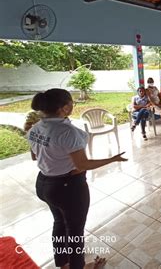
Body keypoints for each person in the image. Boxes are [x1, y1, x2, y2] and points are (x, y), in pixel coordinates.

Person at [28, 88, 127, 269]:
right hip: (67, 188)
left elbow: (35, 156)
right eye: (71, 103)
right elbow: (82, 165)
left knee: (59, 223)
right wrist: (113, 158)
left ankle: (63, 264)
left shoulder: (35, 128)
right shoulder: (68, 132)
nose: (73, 105)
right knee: (75, 233)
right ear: (64, 108)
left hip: (44, 184)